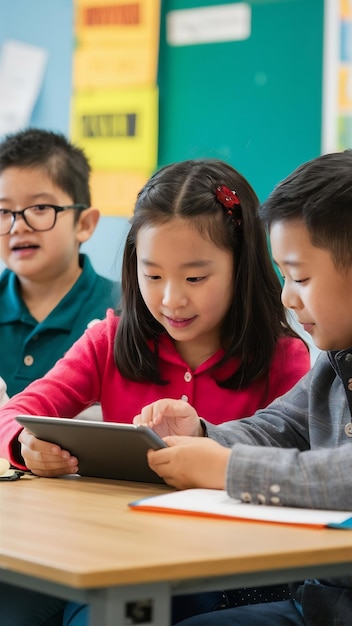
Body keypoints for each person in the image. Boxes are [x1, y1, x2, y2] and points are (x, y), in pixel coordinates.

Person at [0, 158, 309, 626]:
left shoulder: (283, 358)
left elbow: (300, 461)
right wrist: (23, 444)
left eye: (194, 278)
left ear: (241, 267)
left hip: (223, 572)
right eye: (153, 275)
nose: (170, 299)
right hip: (110, 554)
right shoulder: (110, 340)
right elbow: (21, 411)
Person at [131, 149, 352, 626]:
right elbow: (278, 426)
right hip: (316, 604)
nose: (287, 296)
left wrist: (230, 467)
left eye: (301, 277)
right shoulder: (334, 362)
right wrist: (205, 435)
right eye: (283, 276)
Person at [0, 128, 120, 397]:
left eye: (40, 208)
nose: (18, 225)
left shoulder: (126, 312)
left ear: (85, 224)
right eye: (4, 211)